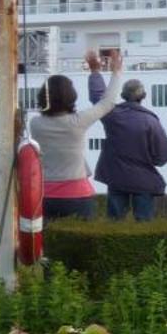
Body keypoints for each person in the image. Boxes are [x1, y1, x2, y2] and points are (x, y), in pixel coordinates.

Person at [29, 55, 123, 221]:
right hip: (77, 195)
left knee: (46, 244)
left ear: (43, 97)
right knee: (81, 244)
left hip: (44, 195)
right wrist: (115, 72)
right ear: (71, 96)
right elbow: (107, 103)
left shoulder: (35, 124)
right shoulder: (77, 121)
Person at [96, 77, 167, 221]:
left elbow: (98, 97)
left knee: (114, 224)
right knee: (144, 226)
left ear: (123, 95)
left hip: (116, 176)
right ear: (143, 96)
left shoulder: (112, 115)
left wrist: (95, 73)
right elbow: (163, 155)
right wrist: (154, 160)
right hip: (143, 179)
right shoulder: (150, 121)